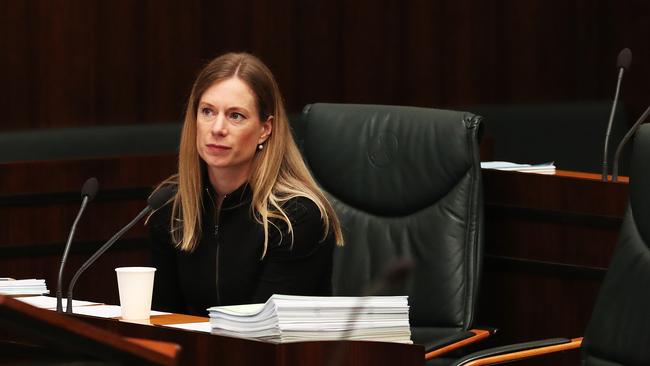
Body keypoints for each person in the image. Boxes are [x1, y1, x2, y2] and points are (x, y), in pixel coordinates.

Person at [148, 52, 344, 315]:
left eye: (235, 116)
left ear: (265, 129)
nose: (217, 128)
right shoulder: (170, 207)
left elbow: (262, 334)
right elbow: (162, 320)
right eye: (207, 111)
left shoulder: (296, 217)